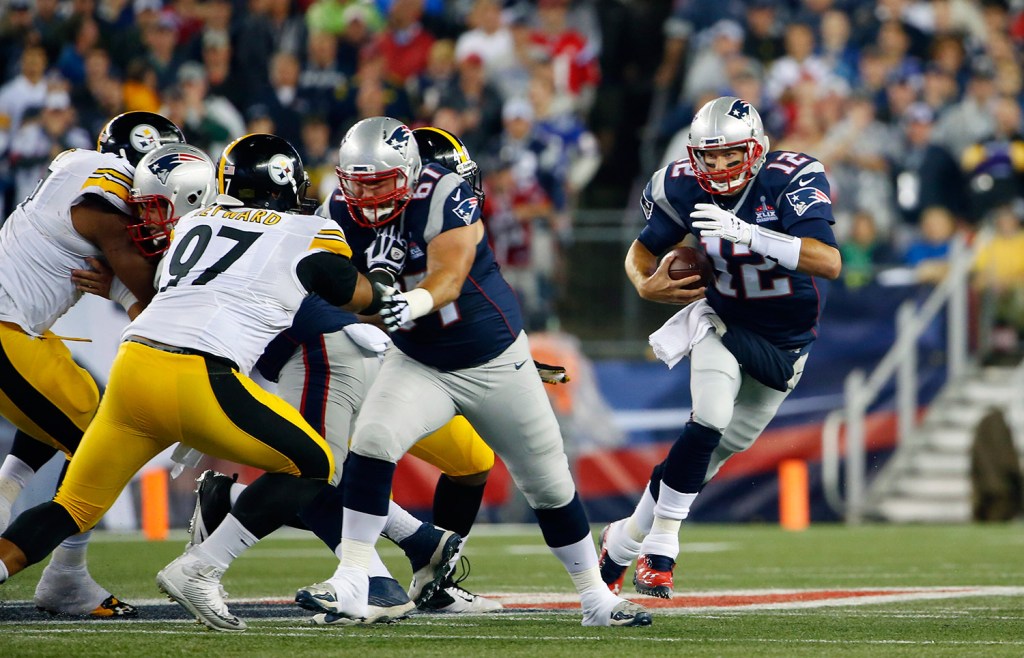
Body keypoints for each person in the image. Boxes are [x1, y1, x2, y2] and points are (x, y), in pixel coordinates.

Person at [0, 133, 386, 633]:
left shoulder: (197, 222)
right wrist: (387, 290)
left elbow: (162, 286)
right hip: (200, 375)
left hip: (134, 367)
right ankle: (202, 568)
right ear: (284, 183)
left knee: (69, 507)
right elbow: (351, 291)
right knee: (315, 463)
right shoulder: (305, 231)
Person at [305, 115, 651, 627]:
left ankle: (595, 597)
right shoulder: (339, 207)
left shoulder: (442, 191)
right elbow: (348, 286)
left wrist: (411, 301)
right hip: (419, 360)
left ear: (408, 172)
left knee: (550, 485)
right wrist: (367, 301)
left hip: (493, 361)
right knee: (373, 441)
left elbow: (450, 273)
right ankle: (354, 576)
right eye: (358, 181)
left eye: (379, 181)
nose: (368, 193)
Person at [185, 126, 508, 622]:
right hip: (333, 354)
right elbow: (337, 303)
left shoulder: (447, 232)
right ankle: (379, 573)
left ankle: (431, 575)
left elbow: (460, 313)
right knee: (320, 469)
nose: (458, 198)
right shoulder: (341, 220)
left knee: (471, 462)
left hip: (400, 364)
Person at [598, 96, 841, 598]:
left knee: (715, 451)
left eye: (731, 156)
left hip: (786, 345)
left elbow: (829, 262)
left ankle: (622, 540)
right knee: (707, 418)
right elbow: (641, 250)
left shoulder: (790, 177)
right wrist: (644, 283)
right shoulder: (682, 186)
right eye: (709, 157)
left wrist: (750, 233)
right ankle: (662, 547)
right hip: (723, 318)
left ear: (756, 150)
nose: (719, 167)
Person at [0, 110, 186, 618]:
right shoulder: (111, 201)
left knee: (80, 402)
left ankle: (7, 491)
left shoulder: (75, 162)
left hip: (23, 328)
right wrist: (125, 286)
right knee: (101, 450)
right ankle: (65, 579)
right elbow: (156, 308)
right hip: (6, 329)